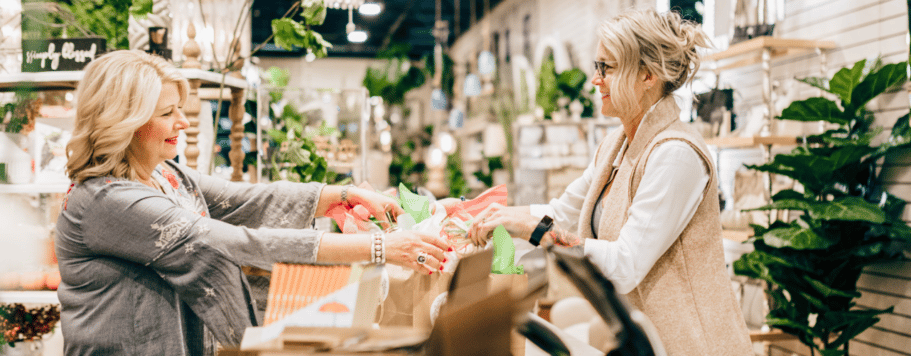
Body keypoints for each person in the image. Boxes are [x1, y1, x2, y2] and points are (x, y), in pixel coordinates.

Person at [55, 50, 449, 355]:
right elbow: (233, 242)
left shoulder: (165, 175)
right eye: (167, 112)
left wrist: (339, 196)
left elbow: (246, 200)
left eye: (180, 108)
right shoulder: (106, 201)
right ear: (125, 120)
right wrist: (380, 248)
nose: (184, 121)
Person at [465, 9, 753, 355]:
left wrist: (536, 230)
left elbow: (626, 265)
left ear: (647, 74)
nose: (595, 80)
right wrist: (494, 218)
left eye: (607, 68)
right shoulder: (616, 146)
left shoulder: (676, 154)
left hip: (690, 344)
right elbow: (563, 212)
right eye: (596, 66)